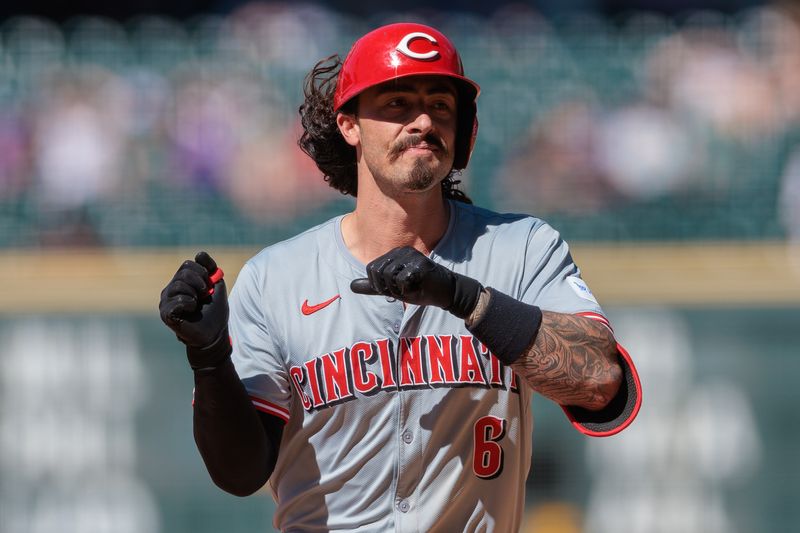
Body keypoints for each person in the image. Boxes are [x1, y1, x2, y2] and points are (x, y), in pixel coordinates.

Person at [159, 22, 641, 532]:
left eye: (440, 104)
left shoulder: (521, 249)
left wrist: (466, 299)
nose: (423, 120)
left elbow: (599, 381)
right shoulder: (276, 278)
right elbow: (239, 474)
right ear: (349, 126)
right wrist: (210, 360)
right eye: (397, 104)